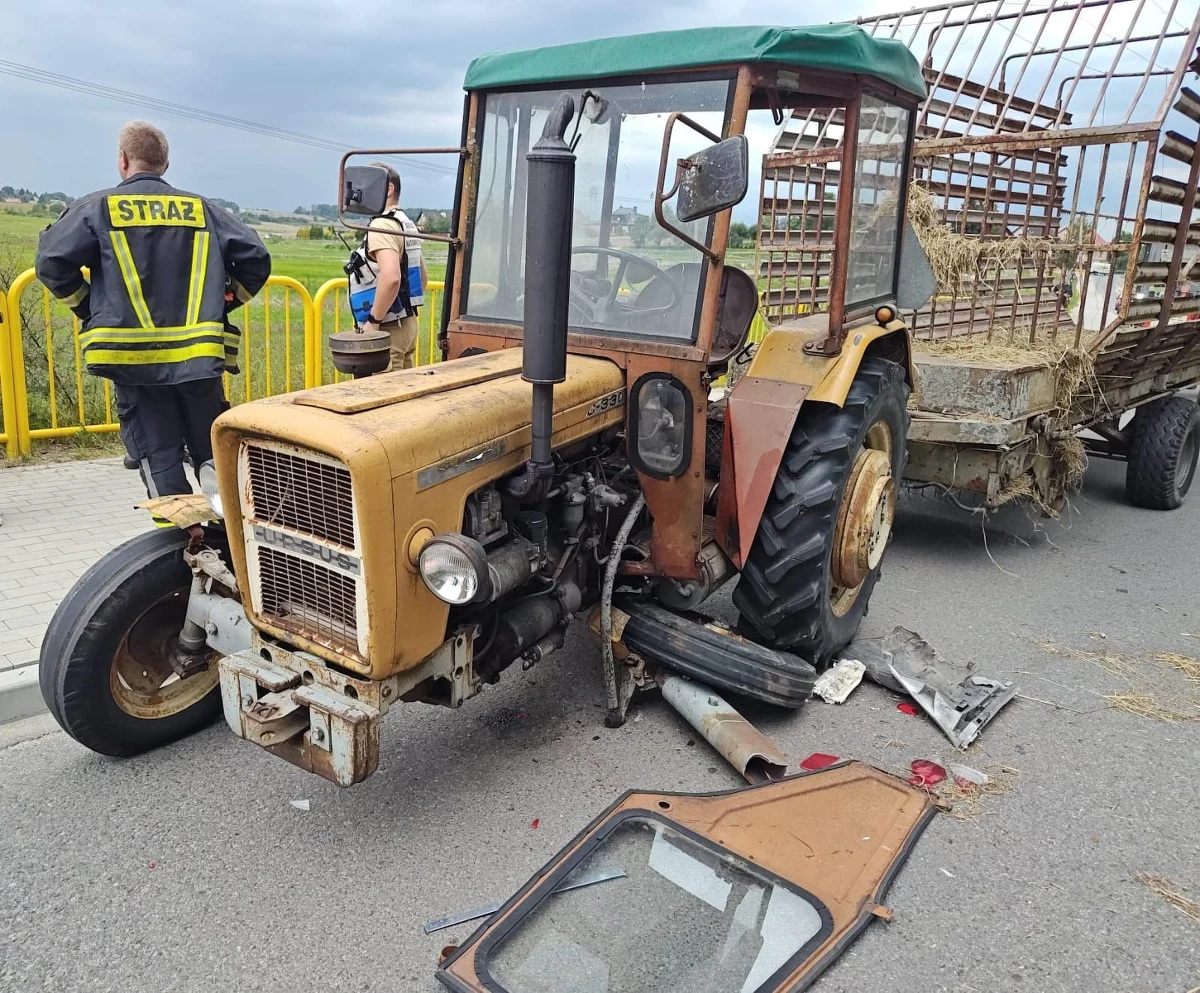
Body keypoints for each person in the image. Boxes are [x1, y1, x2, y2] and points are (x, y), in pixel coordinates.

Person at [36, 120, 271, 498]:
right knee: (213, 454)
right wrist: (228, 300)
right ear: (165, 163)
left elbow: (50, 262)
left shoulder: (97, 209)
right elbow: (257, 259)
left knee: (158, 457)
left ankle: (184, 546)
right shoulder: (203, 210)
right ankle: (232, 533)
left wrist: (91, 309)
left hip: (134, 363)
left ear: (123, 160)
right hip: (199, 361)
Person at [360, 163, 427, 370]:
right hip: (406, 324)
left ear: (388, 189)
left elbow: (391, 277)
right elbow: (422, 278)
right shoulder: (405, 223)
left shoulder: (382, 224)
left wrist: (373, 322)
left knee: (384, 395)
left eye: (367, 186)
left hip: (387, 329)